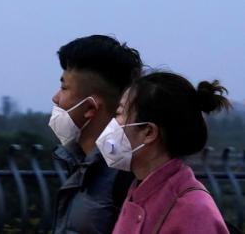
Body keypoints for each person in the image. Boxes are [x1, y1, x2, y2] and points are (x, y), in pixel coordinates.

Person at [95, 71, 231, 233]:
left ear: (148, 132)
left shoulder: (193, 210)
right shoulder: (140, 190)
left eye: (119, 114)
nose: (112, 124)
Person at [50, 35, 143, 233]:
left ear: (90, 108)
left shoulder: (130, 178)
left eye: (64, 88)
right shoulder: (83, 167)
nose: (56, 98)